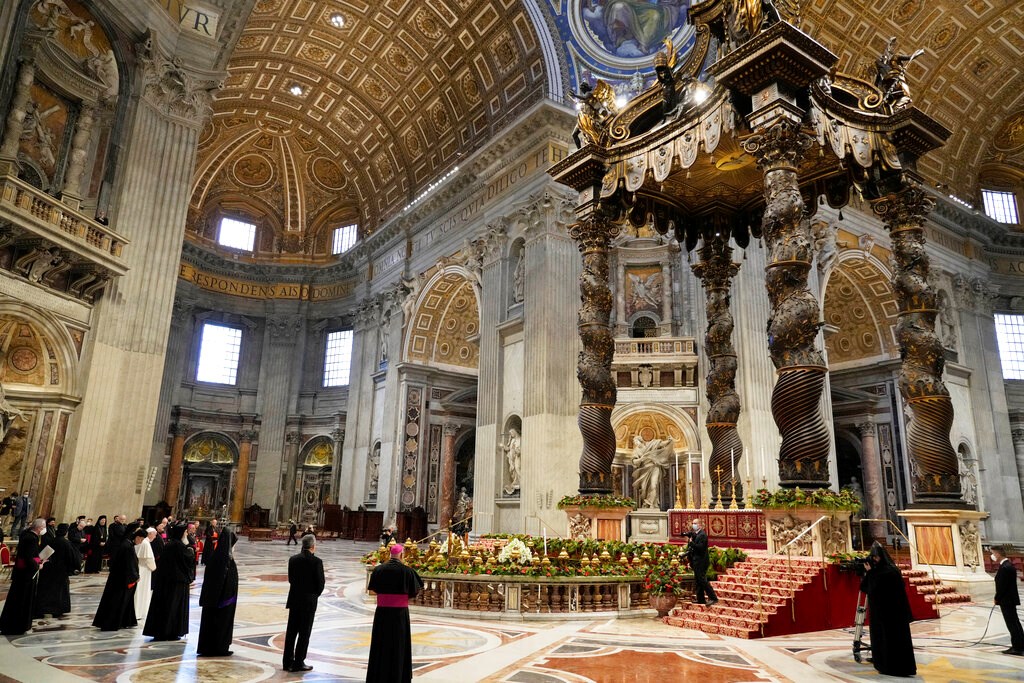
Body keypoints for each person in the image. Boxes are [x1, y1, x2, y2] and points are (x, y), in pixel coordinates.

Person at [366, 543, 424, 682]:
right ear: (402, 555)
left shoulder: (379, 570)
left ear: (389, 554)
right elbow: (416, 590)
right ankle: (398, 676)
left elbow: (372, 590)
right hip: (400, 614)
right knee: (399, 645)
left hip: (382, 613)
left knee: (381, 643)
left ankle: (378, 676)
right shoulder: (407, 571)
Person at [861, 541, 916, 676]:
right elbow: (867, 589)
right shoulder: (891, 570)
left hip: (890, 613)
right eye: (873, 558)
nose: (874, 560)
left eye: (876, 557)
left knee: (891, 640)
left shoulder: (886, 572)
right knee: (886, 639)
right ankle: (887, 664)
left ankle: (892, 667)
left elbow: (872, 588)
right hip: (886, 613)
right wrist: (871, 573)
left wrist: (869, 573)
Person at [143, 523, 193, 641]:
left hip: (166, 582)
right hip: (176, 582)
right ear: (181, 533)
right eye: (185, 532)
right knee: (172, 607)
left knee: (166, 606)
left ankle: (164, 631)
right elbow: (187, 561)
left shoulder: (170, 544)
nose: (186, 534)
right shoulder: (178, 546)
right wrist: (190, 551)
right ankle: (170, 631)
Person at [283, 534, 325, 672]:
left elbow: (290, 579)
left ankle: (287, 662)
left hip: (294, 599)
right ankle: (299, 662)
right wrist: (313, 596)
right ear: (313, 546)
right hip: (308, 602)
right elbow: (320, 584)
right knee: (304, 633)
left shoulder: (293, 559)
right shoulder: (316, 561)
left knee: (291, 631)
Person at [0, 518, 45, 635]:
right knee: (22, 599)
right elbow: (28, 557)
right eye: (43, 526)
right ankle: (17, 625)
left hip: (22, 572)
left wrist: (39, 560)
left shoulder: (27, 535)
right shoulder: (31, 538)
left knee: (17, 598)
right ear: (39, 528)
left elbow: (32, 554)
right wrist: (37, 566)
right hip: (25, 574)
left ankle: (12, 624)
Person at [198, 529, 239, 657]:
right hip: (223, 600)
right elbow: (225, 580)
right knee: (220, 623)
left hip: (216, 599)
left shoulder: (217, 556)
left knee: (213, 623)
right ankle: (219, 647)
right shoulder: (225, 559)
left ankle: (213, 646)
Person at [92, 529, 143, 631]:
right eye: (141, 540)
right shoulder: (127, 546)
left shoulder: (126, 544)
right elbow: (129, 564)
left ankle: (124, 621)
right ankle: (112, 623)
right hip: (122, 580)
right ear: (137, 537)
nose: (141, 542)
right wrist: (135, 577)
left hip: (119, 578)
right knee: (117, 602)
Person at [35, 523, 75, 619]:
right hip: (61, 571)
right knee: (59, 591)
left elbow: (42, 555)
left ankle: (45, 608)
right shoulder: (66, 543)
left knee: (48, 590)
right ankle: (58, 609)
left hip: (49, 569)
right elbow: (71, 558)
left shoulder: (51, 541)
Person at [993, 545, 1024, 656]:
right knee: (1015, 623)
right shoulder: (1008, 565)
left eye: (994, 553)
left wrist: (997, 598)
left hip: (1006, 600)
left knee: (1012, 624)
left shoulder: (1005, 567)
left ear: (998, 554)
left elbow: (1002, 586)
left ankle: (1017, 647)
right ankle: (1020, 644)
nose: (993, 556)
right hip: (1010, 599)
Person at [684, 518, 717, 606]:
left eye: (695, 523)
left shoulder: (702, 535)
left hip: (701, 561)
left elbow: (700, 548)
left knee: (702, 579)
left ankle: (713, 598)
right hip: (696, 561)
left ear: (700, 525)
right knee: (698, 580)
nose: (693, 525)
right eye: (693, 523)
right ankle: (700, 599)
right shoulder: (694, 534)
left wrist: (692, 543)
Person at [135, 527, 157, 623]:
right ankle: (138, 612)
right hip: (144, 570)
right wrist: (154, 568)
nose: (155, 536)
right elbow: (148, 559)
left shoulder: (144, 542)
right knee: (141, 590)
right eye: (154, 534)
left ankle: (139, 611)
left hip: (142, 568)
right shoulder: (146, 543)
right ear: (150, 534)